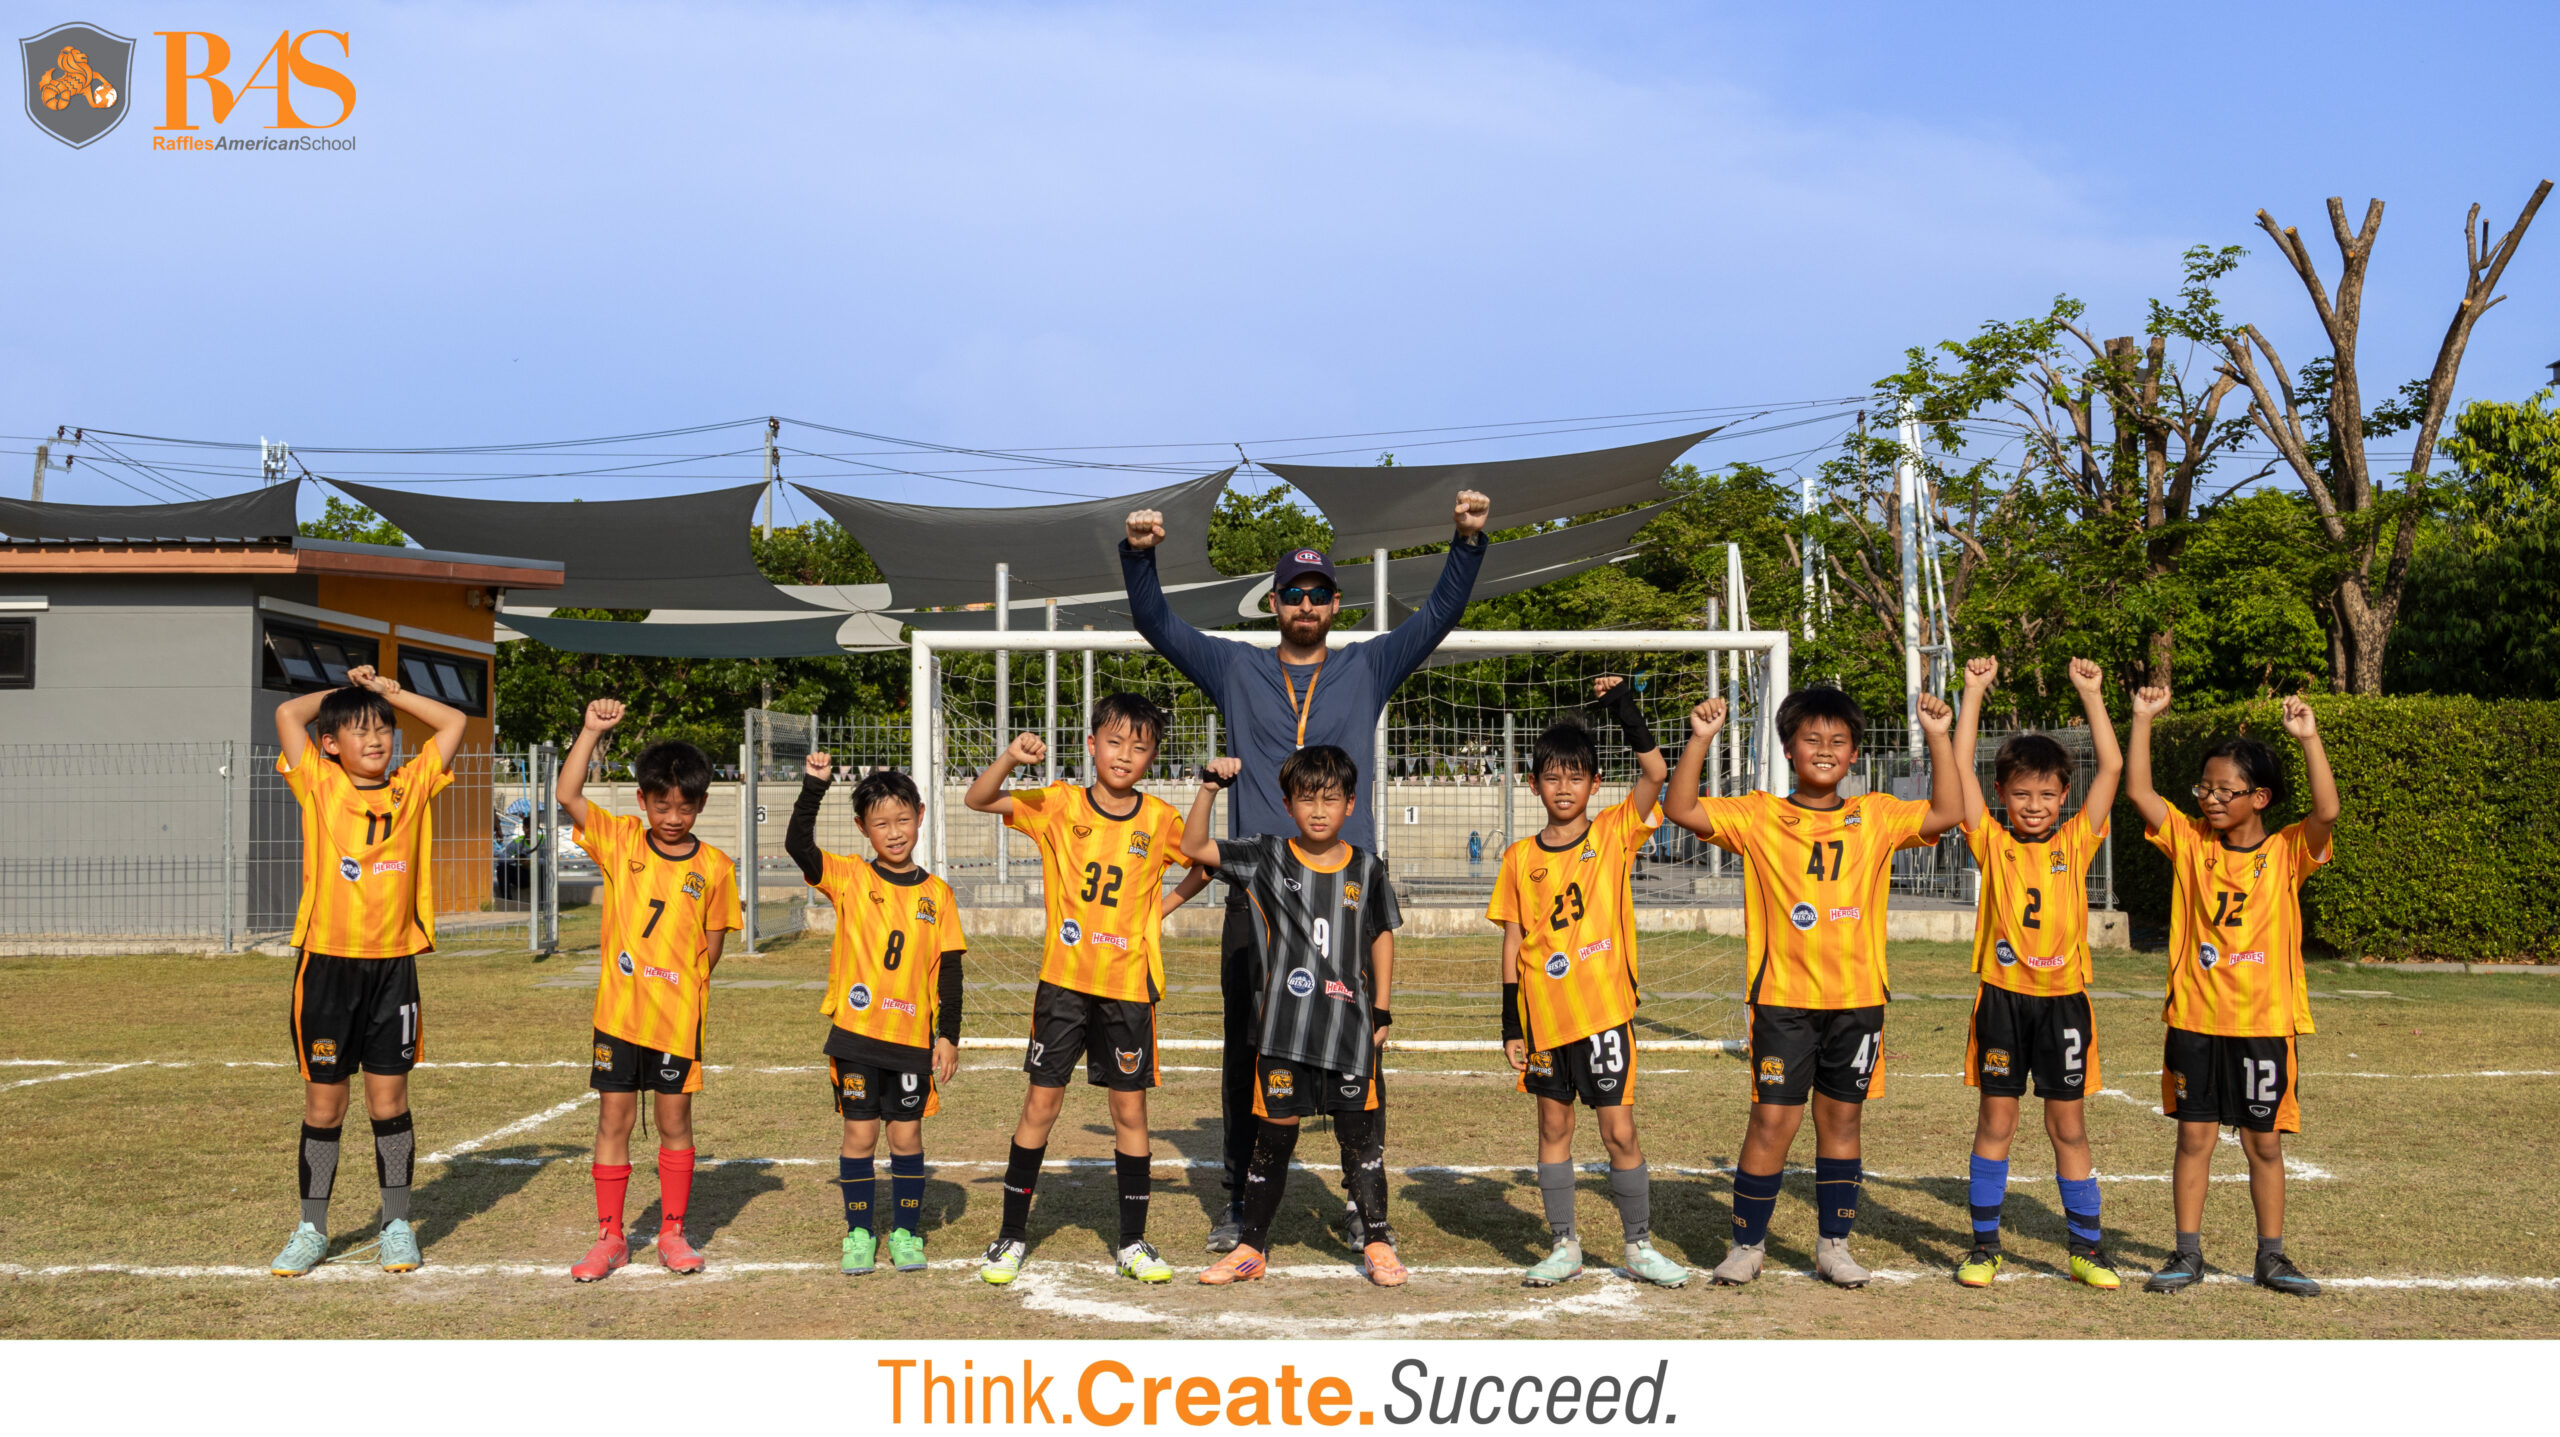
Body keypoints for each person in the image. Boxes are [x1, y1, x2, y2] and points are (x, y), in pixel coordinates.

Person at [1121, 488, 1492, 1249]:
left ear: (1333, 604)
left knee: (1360, 1049)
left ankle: (1361, 1198)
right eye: (1293, 592)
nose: (1306, 604)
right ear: (1275, 603)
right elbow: (1155, 623)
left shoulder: (1368, 664)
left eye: (1319, 593)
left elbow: (1437, 618)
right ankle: (1236, 1194)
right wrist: (1140, 556)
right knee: (1247, 1047)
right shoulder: (1233, 665)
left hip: (1345, 896)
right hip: (1258, 896)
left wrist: (1465, 541)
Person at [1661, 686, 1963, 1287]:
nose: (1825, 751)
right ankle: (1746, 1245)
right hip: (1782, 1002)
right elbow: (1682, 809)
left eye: (1838, 742)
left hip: (1857, 1003)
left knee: (1842, 1123)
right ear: (1788, 748)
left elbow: (1948, 813)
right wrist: (1700, 738)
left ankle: (1834, 1245)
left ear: (1853, 755)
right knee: (1772, 1122)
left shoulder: (1875, 814)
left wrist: (1937, 737)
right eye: (1812, 740)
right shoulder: (1758, 815)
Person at [964, 693, 1211, 1287]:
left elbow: (1202, 863)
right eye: (1115, 742)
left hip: (1129, 989)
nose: (1126, 755)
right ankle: (1011, 1237)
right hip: (1064, 986)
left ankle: (1132, 1242)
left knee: (1130, 1110)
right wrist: (1011, 758)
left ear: (1153, 756)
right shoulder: (1058, 803)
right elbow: (978, 798)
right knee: (1040, 1106)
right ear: (1093, 743)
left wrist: (1162, 909)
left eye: (1140, 746)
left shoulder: (1158, 819)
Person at [2125, 688, 2338, 1298]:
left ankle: (2271, 1257)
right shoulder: (2191, 843)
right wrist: (2142, 719)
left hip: (2265, 1025)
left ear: (2259, 798)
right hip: (2195, 1020)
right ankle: (2186, 1253)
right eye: (2205, 789)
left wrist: (2308, 737)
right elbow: (2140, 793)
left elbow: (2327, 810)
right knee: (2193, 1137)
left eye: (2226, 791)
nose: (2212, 799)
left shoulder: (2288, 849)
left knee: (2262, 1142)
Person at [267, 665, 468, 1278]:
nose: (376, 738)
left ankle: (397, 1224)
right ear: (331, 745)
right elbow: (288, 716)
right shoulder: (319, 785)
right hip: (327, 966)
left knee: (390, 1103)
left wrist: (388, 693)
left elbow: (454, 720)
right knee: (325, 1108)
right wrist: (343, 696)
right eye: (359, 731)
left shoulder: (413, 785)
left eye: (383, 729)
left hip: (392, 968)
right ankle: (311, 1228)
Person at [1179, 746, 1405, 1287]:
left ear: (1351, 804)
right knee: (1273, 1141)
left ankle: (1376, 1240)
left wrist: (1382, 1010)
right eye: (1307, 799)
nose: (1319, 810)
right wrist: (1209, 787)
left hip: (1349, 1032)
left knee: (1360, 1143)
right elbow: (1190, 846)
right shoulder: (1265, 855)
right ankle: (1252, 1248)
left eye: (1331, 799)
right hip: (1284, 1031)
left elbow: (1382, 936)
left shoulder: (1367, 867)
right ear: (1288, 804)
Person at [1491, 677, 1688, 1289]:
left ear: (1594, 784)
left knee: (1618, 1129)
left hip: (1603, 1015)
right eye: (1552, 777)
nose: (1564, 787)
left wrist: (1625, 711)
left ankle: (1638, 1245)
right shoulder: (1519, 857)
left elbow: (1656, 775)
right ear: (1534, 785)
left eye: (1576, 777)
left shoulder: (1612, 834)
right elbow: (1512, 941)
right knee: (1554, 1128)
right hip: (1545, 1020)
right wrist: (1509, 1020)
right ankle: (1564, 1246)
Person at [1947, 657, 2124, 1290]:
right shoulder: (1988, 840)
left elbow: (2112, 768)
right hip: (2002, 1000)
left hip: (2064, 1004)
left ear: (2063, 798)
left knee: (2067, 1125)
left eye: (2047, 794)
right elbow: (1961, 766)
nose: (2034, 805)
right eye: (2021, 794)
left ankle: (2087, 1249)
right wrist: (1972, 695)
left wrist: (2092, 694)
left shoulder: (2077, 841)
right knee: (1997, 1123)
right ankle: (1984, 1247)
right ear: (2001, 797)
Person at [555, 699, 741, 1281]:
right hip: (617, 1015)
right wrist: (590, 731)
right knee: (612, 1120)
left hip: (677, 1020)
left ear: (701, 805)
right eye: (662, 804)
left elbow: (712, 945)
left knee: (674, 1122)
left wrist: (678, 985)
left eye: (685, 807)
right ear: (643, 801)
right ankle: (609, 1236)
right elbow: (568, 795)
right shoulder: (622, 841)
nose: (673, 817)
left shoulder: (715, 866)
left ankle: (672, 1232)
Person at [786, 753, 964, 1277]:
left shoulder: (939, 895)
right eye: (881, 823)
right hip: (857, 1037)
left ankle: (907, 1233)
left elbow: (948, 974)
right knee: (859, 1137)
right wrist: (813, 787)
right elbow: (799, 845)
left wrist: (948, 1036)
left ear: (921, 816)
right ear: (863, 828)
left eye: (902, 820)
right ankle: (860, 1232)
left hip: (911, 1040)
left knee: (907, 1138)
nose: (894, 832)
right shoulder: (847, 877)